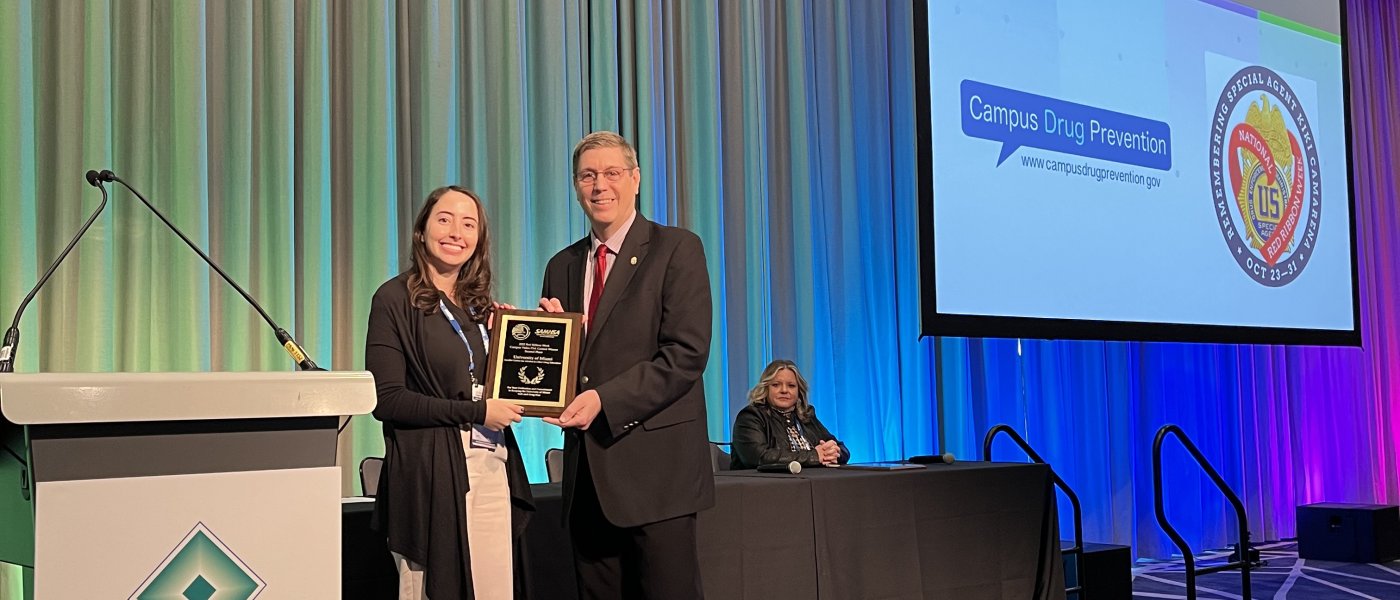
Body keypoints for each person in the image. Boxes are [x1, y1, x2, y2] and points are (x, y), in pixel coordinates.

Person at [538, 131, 715, 599]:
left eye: (612, 173)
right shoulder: (562, 265)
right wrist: (553, 348)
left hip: (659, 478)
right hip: (587, 481)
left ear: (635, 180)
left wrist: (602, 399)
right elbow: (575, 368)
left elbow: (686, 355)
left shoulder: (678, 248)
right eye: (588, 175)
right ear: (576, 186)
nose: (600, 185)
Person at [364, 186, 533, 600]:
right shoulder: (393, 299)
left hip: (492, 466)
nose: (456, 231)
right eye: (445, 219)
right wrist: (476, 412)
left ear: (479, 239)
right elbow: (387, 400)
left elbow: (489, 386)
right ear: (421, 231)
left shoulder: (479, 307)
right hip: (429, 474)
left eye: (469, 223)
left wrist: (513, 344)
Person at [730, 359, 850, 470]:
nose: (784, 390)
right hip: (764, 487)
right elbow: (759, 457)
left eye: (791, 385)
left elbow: (841, 448)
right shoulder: (751, 417)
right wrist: (814, 456)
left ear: (799, 391)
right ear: (766, 389)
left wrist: (834, 452)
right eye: (776, 385)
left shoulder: (806, 415)